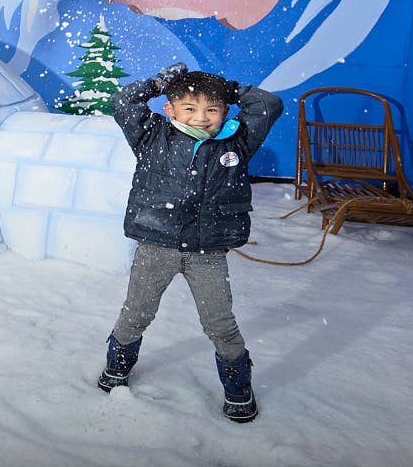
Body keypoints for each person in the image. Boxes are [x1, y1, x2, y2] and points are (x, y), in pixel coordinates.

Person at [97, 63, 283, 423]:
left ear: (225, 111)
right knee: (136, 314)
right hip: (157, 246)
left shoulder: (237, 140)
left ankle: (237, 387)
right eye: (190, 108)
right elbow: (122, 103)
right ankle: (117, 367)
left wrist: (230, 87)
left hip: (207, 253)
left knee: (220, 323)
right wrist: (155, 84)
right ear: (170, 109)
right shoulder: (152, 135)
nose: (201, 117)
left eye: (212, 109)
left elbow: (268, 106)